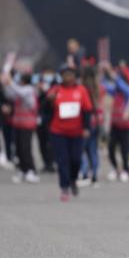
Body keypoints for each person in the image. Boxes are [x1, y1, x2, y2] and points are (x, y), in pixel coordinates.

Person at [46, 64, 93, 202]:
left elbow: (87, 110)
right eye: (65, 75)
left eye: (70, 74)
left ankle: (73, 179)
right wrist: (49, 100)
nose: (68, 77)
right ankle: (64, 187)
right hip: (58, 131)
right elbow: (45, 108)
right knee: (62, 160)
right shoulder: (56, 90)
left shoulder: (81, 90)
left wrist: (86, 128)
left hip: (76, 132)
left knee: (76, 159)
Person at [0, 70, 40, 184]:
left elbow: (20, 92)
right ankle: (22, 170)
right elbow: (9, 94)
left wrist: (10, 82)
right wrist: (6, 84)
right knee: (18, 149)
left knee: (25, 148)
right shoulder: (19, 89)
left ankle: (31, 171)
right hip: (18, 124)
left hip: (27, 124)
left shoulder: (29, 89)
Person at [103, 62, 129, 182]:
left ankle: (126, 170)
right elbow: (104, 86)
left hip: (125, 126)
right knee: (111, 149)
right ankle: (116, 169)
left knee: (124, 150)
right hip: (115, 125)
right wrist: (104, 73)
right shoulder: (115, 91)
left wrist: (114, 76)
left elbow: (124, 87)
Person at [77, 65, 103, 187]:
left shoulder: (81, 89)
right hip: (96, 122)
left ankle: (84, 173)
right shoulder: (98, 88)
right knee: (93, 150)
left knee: (82, 150)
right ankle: (95, 175)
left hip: (84, 122)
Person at [36, 69, 57, 174]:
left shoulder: (56, 86)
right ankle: (45, 163)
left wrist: (47, 93)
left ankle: (51, 163)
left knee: (51, 143)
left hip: (51, 120)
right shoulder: (38, 88)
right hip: (40, 121)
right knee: (42, 143)